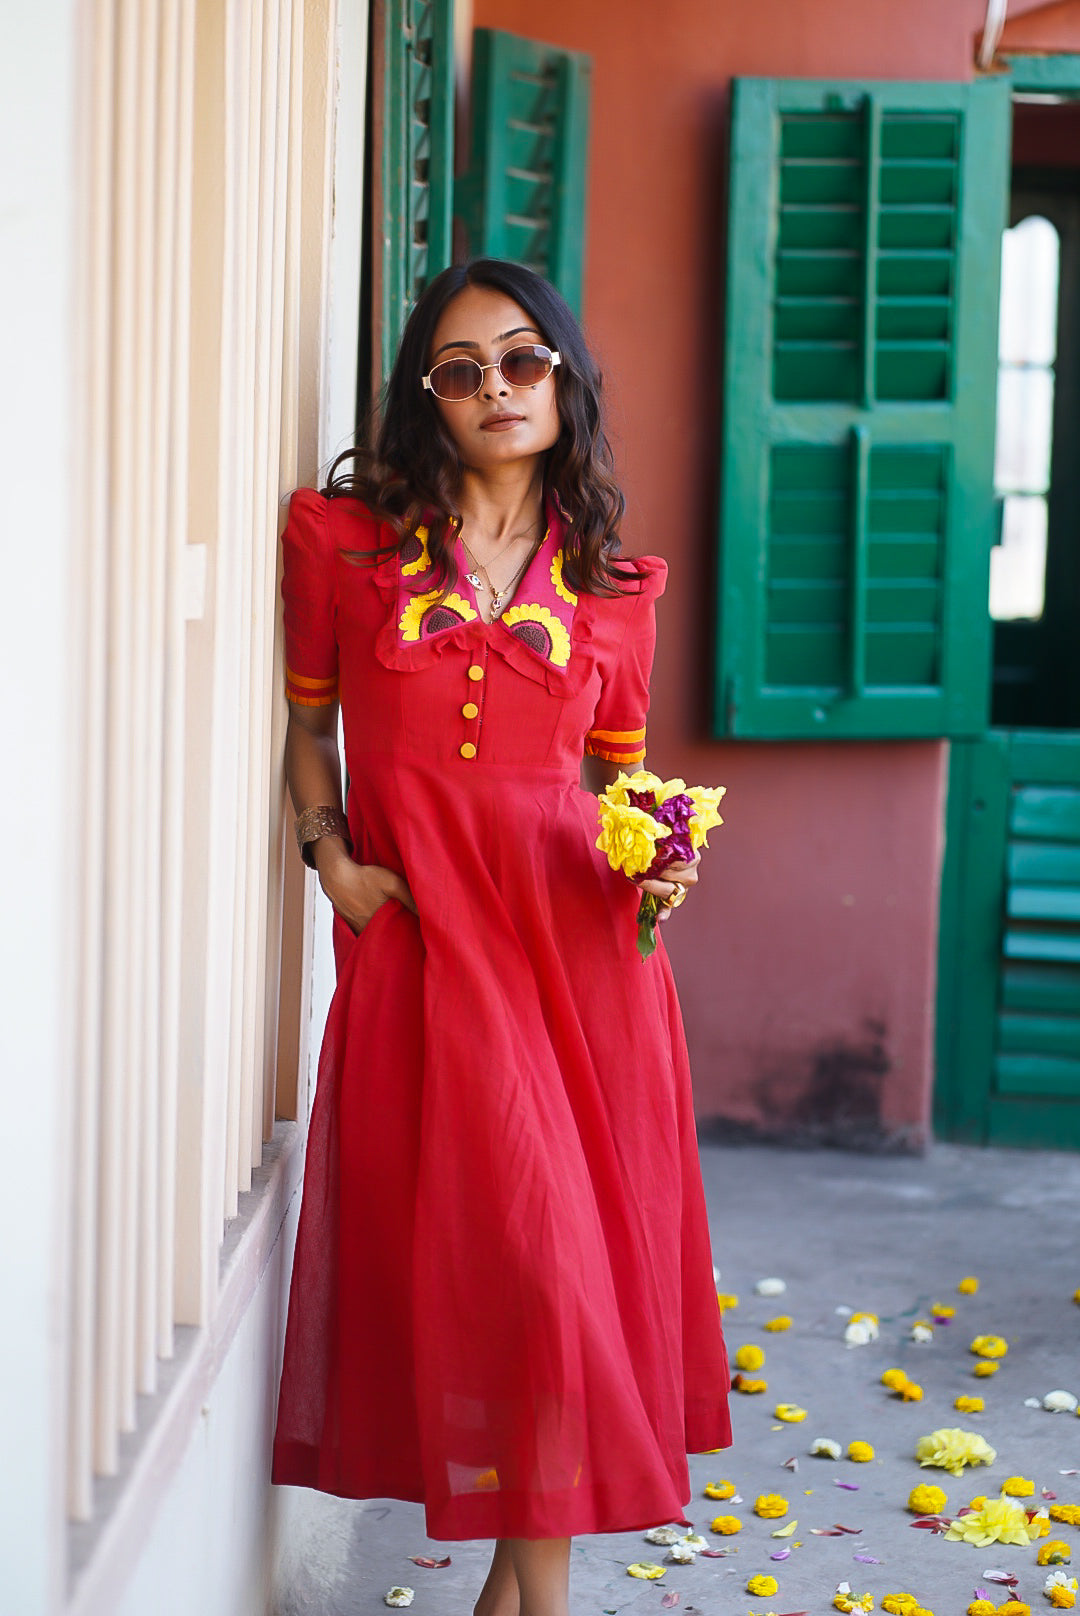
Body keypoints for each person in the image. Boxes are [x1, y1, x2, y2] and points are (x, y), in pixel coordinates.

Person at [271, 258, 731, 1616]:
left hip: (580, 968)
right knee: (518, 1274)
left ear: (565, 379)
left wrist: (662, 864)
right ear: (429, 398)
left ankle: (523, 1600)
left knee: (561, 1281)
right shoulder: (344, 548)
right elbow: (310, 732)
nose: (497, 391)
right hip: (425, 954)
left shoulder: (616, 586)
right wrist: (330, 859)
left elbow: (615, 786)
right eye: (462, 369)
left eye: (523, 361)